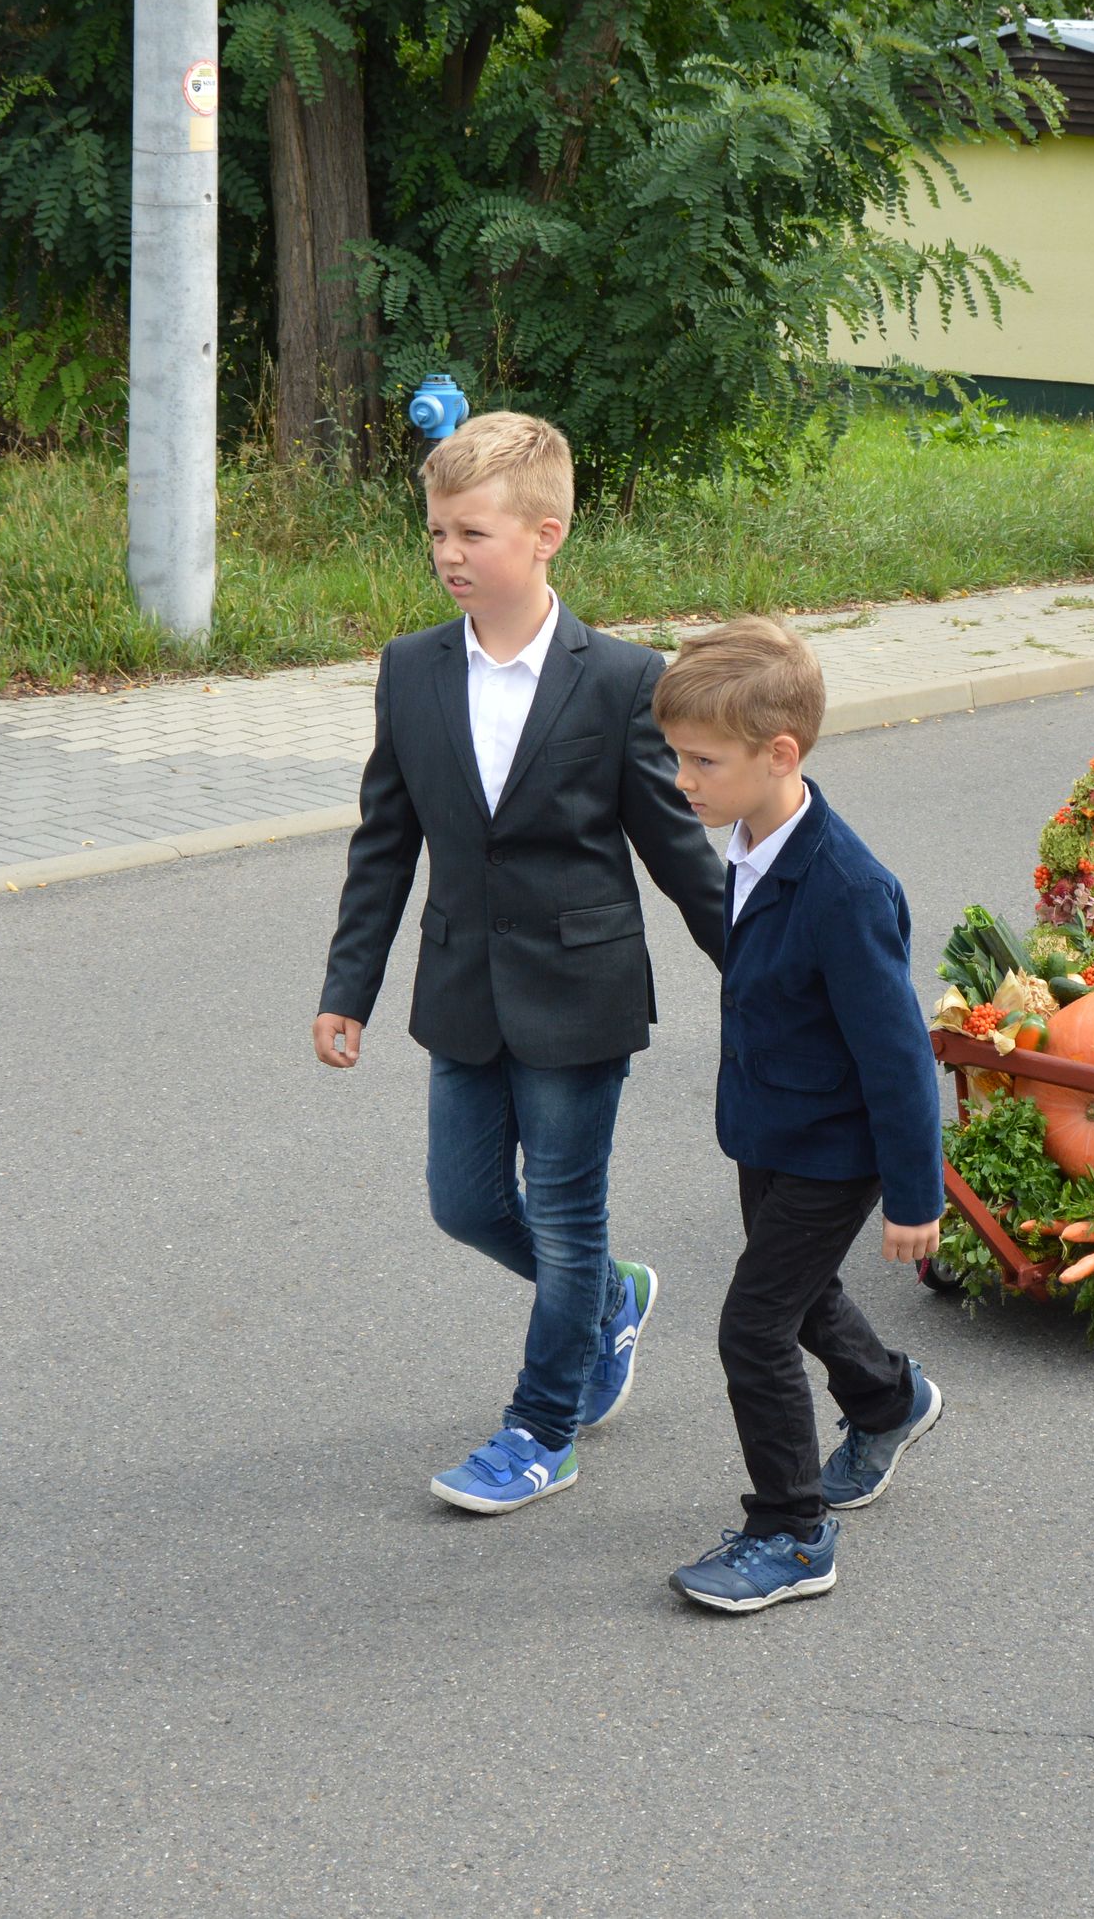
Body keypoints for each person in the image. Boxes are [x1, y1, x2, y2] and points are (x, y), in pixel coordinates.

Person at [314, 410, 731, 1514]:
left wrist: (761, 968)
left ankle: (542, 1430)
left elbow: (678, 852)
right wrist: (347, 988)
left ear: (546, 535)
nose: (448, 554)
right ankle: (608, 1299)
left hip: (582, 993)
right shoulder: (410, 670)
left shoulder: (622, 678)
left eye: (472, 533)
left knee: (564, 1213)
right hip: (461, 987)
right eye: (436, 532)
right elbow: (385, 842)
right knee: (462, 1203)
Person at [648, 618, 945, 1614]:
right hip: (769, 1127)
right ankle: (889, 1399)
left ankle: (791, 1533)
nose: (682, 780)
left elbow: (899, 1057)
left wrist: (914, 1195)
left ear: (780, 754)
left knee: (753, 1327)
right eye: (677, 756)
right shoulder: (748, 840)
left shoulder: (846, 889)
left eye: (703, 761)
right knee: (803, 1297)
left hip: (833, 1148)